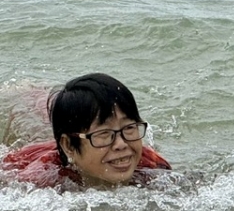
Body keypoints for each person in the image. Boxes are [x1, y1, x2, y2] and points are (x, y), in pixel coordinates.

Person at [1, 74, 170, 189]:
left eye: (130, 127)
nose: (121, 144)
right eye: (104, 134)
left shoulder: (153, 166)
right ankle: (23, 91)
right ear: (68, 146)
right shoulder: (36, 180)